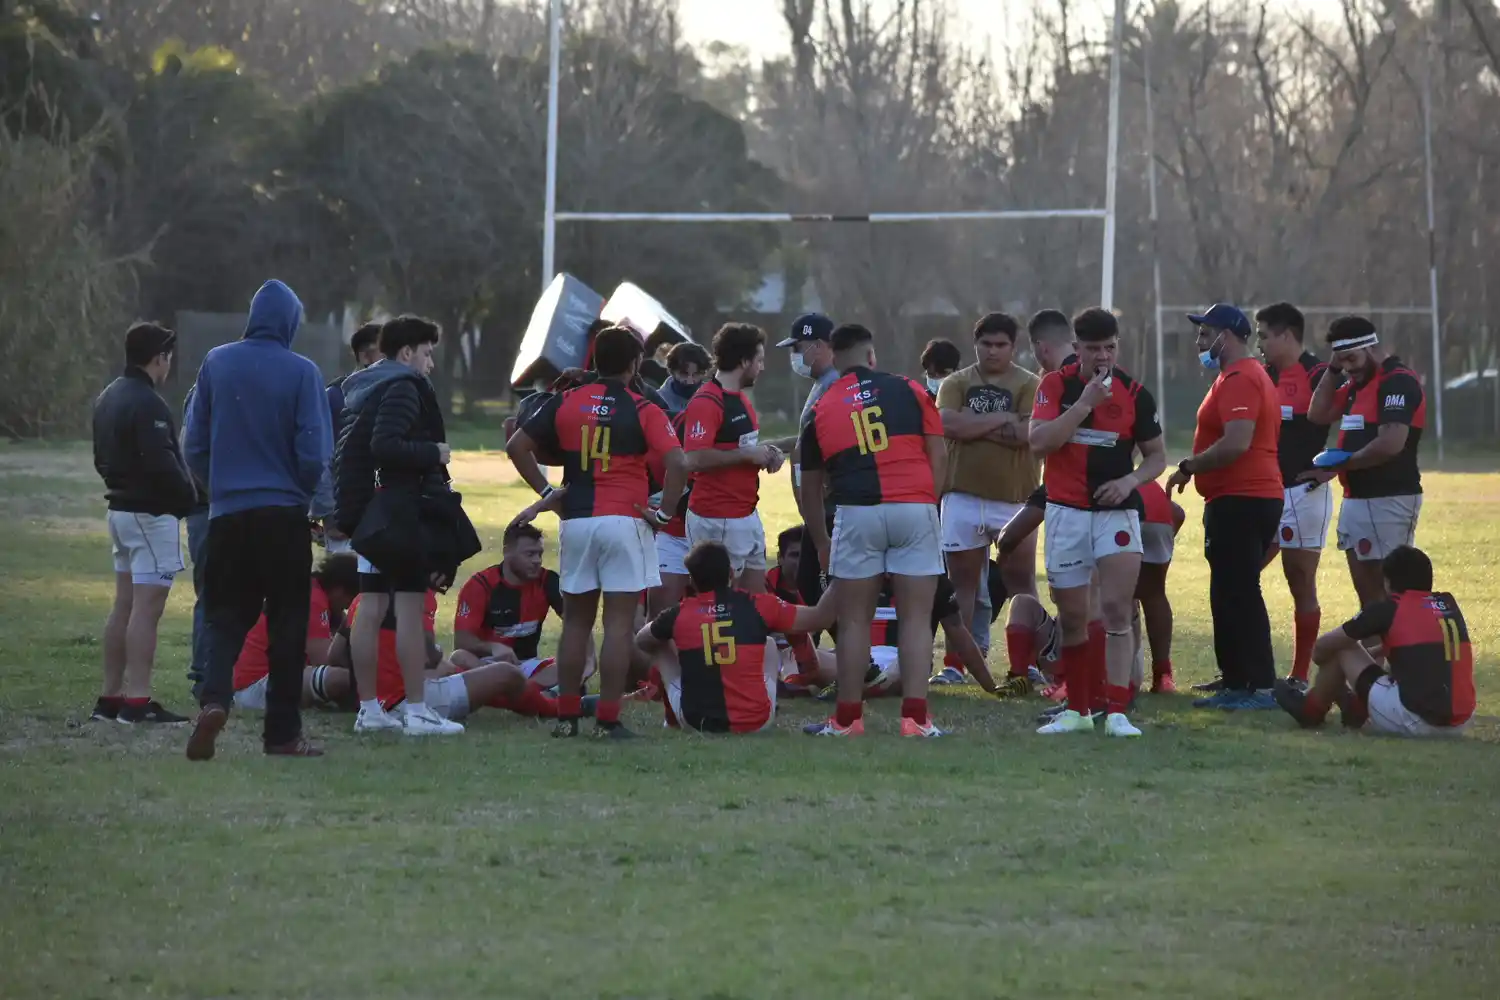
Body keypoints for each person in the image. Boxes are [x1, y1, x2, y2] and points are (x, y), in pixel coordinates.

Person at [508, 325, 688, 739]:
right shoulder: (643, 408)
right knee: (620, 625)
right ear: (635, 363)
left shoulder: (566, 401)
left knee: (576, 623)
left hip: (578, 521)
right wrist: (665, 512)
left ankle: (567, 717)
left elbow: (517, 445)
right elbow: (678, 463)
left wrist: (549, 493)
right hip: (626, 521)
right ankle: (608, 718)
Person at [183, 280, 332, 760]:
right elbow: (313, 452)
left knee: (224, 616)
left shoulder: (216, 363)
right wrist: (312, 502)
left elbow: (193, 442)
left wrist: (217, 486)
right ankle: (282, 734)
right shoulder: (302, 372)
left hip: (227, 515)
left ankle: (213, 700)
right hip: (283, 515)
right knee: (288, 624)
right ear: (290, 322)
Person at [799, 323, 948, 738]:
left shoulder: (821, 406)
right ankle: (916, 720)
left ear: (833, 356)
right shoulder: (912, 390)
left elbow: (809, 489)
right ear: (872, 355)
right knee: (916, 618)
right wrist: (925, 504)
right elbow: (939, 454)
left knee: (853, 622)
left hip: (857, 512)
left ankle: (847, 720)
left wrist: (821, 542)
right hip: (914, 507)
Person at [1029, 308, 1166, 737]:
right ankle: (1079, 711)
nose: (1102, 356)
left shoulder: (1136, 393)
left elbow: (1157, 456)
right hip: (1067, 513)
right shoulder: (1054, 385)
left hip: (1117, 515)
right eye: (1093, 349)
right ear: (1077, 347)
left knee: (1117, 610)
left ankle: (1118, 712)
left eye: (1110, 347)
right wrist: (1084, 405)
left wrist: (1130, 480)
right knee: (1072, 616)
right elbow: (1038, 443)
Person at [331, 315, 462, 738]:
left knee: (370, 606)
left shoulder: (366, 387)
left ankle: (369, 709)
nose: (430, 365)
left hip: (368, 512)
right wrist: (435, 451)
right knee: (408, 608)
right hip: (396, 511)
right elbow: (386, 445)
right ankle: (417, 711)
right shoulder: (403, 386)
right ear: (407, 353)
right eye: (427, 354)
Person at [1166, 304, 1284, 710]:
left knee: (1240, 591)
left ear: (1227, 336)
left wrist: (1189, 466)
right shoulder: (1234, 377)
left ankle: (1261, 686)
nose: (1200, 342)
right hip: (1235, 497)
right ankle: (1235, 678)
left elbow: (1237, 442)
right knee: (1227, 590)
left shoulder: (1241, 377)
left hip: (1244, 496)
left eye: (1206, 333)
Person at [90, 321, 197, 724]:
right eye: (168, 356)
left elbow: (101, 455)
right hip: (150, 515)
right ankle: (137, 703)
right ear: (159, 358)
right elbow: (162, 463)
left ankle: (110, 698)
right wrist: (189, 499)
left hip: (119, 511)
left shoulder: (109, 395)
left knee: (124, 604)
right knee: (146, 610)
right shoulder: (148, 402)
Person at [936, 312, 1041, 695]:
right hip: (962, 494)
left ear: (1014, 347)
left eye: (1001, 344)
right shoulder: (956, 381)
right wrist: (1002, 418)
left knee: (1020, 581)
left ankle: (1025, 664)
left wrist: (975, 426)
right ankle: (955, 663)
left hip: (1014, 499)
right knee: (961, 584)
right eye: (986, 344)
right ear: (975, 344)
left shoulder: (1030, 383)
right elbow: (947, 424)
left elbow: (1028, 434)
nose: (993, 351)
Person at [636, 541, 841, 733]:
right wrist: (844, 574)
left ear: (692, 581)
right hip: (756, 720)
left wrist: (686, 645)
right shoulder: (760, 605)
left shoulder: (677, 613)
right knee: (768, 644)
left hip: (694, 721)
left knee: (659, 642)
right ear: (732, 574)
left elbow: (642, 640)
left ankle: (671, 720)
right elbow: (820, 618)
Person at [1273, 546, 1473, 737]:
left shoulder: (1388, 608)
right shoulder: (1447, 604)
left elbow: (1320, 649)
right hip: (1460, 723)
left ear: (1387, 582)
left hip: (1415, 720)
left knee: (1342, 647)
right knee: (1356, 653)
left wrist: (1336, 681)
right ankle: (1355, 707)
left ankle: (1311, 710)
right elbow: (1426, 653)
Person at [1303, 315, 1426, 610]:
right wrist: (1332, 370)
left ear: (1370, 348)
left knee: (1390, 594)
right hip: (1357, 498)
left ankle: (1401, 654)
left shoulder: (1397, 381)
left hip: (1390, 498)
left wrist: (1343, 464)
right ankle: (1376, 656)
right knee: (1369, 599)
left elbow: (1391, 443)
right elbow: (1316, 414)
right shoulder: (1356, 384)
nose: (1347, 367)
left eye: (1351, 359)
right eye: (1341, 361)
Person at [1255, 302, 1333, 688]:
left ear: (1286, 335)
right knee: (1241, 575)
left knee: (1299, 579)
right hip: (1262, 491)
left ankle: (1299, 675)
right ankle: (1246, 669)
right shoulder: (1261, 375)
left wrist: (1336, 465)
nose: (1260, 344)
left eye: (1265, 336)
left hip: (1305, 492)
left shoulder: (1319, 373)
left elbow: (1357, 419)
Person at [682, 323, 783, 590]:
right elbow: (694, 458)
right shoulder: (707, 401)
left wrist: (767, 454)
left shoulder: (741, 399)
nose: (762, 367)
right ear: (743, 361)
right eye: (759, 360)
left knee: (756, 600)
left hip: (747, 513)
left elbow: (741, 449)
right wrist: (747, 455)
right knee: (720, 605)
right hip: (717, 517)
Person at [451, 522, 592, 690]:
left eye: (540, 554)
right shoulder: (480, 585)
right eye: (530, 554)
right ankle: (529, 693)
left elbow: (577, 622)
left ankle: (516, 690)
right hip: (487, 665)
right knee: (459, 657)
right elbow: (462, 642)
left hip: (527, 665)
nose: (537, 561)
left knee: (572, 662)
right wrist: (492, 647)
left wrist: (589, 658)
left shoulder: (548, 581)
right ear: (507, 552)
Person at [231, 552, 359, 711]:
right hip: (255, 687)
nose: (347, 608)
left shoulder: (312, 592)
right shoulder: (312, 599)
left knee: (349, 678)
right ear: (340, 590)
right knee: (342, 678)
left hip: (259, 682)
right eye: (350, 602)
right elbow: (325, 659)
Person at [777, 313, 841, 610]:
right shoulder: (820, 384)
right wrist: (772, 447)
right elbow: (807, 440)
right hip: (817, 506)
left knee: (815, 591)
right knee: (811, 591)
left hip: (830, 508)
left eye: (797, 347)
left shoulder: (834, 385)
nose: (794, 356)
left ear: (818, 345)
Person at [313, 321, 383, 554]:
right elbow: (321, 460)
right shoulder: (333, 398)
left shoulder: (397, 396)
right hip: (345, 524)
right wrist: (329, 515)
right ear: (365, 356)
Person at [1135, 478, 1183, 693]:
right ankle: (1163, 674)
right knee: (1154, 594)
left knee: (1106, 592)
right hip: (1158, 511)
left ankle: (1104, 676)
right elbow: (1178, 513)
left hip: (1124, 508)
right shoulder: (1143, 470)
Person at [655, 341, 712, 415]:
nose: (690, 381)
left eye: (696, 374)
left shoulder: (714, 400)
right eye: (684, 374)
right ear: (672, 371)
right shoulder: (656, 402)